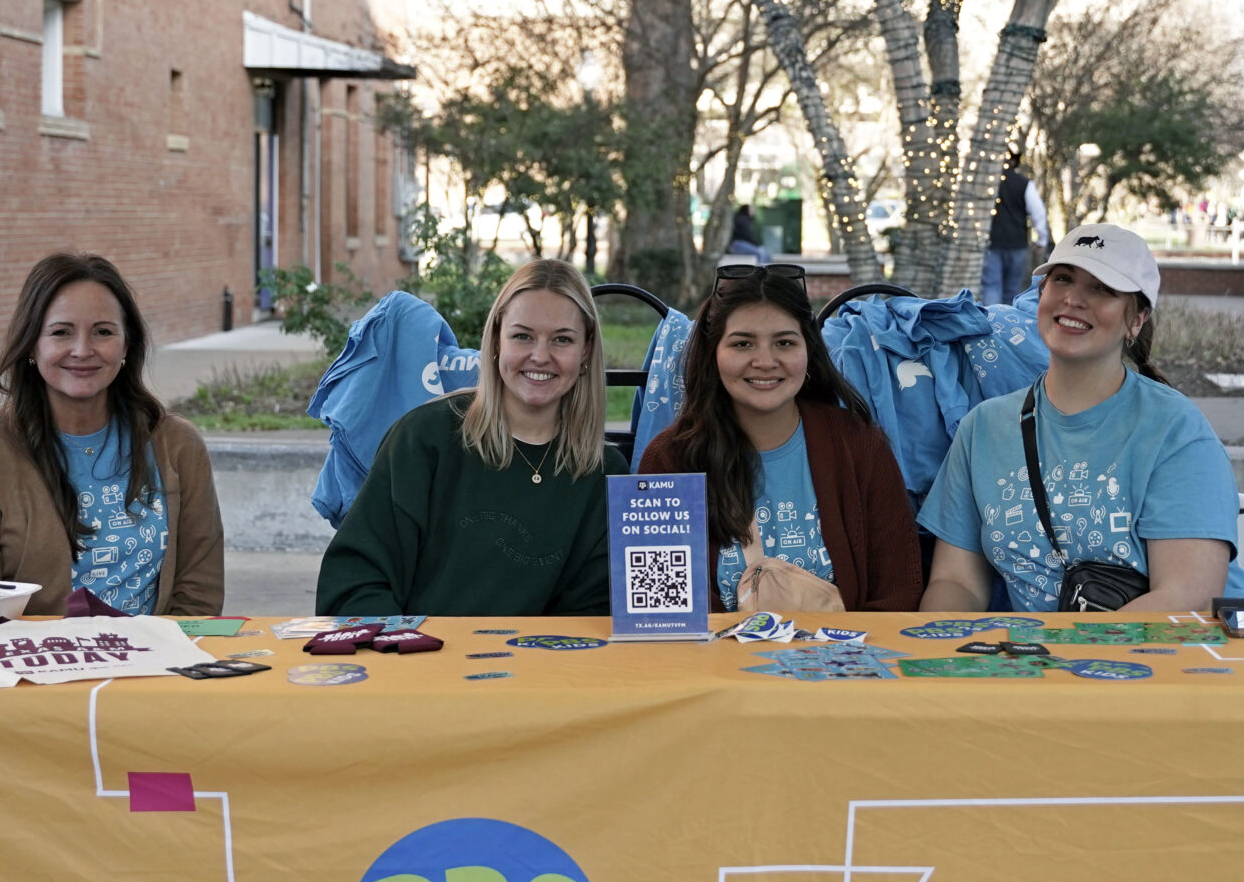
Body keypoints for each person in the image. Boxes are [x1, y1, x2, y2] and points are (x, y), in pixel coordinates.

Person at [920, 223, 1244, 612]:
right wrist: (943, 651)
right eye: (1062, 279)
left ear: (1136, 320)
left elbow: (1185, 599)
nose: (1073, 298)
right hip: (1039, 662)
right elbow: (956, 582)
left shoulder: (1176, 431)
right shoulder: (982, 428)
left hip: (1170, 659)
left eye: (1101, 288)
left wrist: (1064, 662)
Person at [315, 258, 627, 615]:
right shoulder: (422, 440)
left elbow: (595, 616)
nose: (540, 356)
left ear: (585, 350)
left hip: (543, 666)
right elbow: (352, 583)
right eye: (522, 336)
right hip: (419, 661)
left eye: (562, 340)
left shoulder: (605, 473)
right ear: (496, 340)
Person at [0, 253, 224, 616]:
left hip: (158, 661)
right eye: (61, 332)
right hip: (35, 664)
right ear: (31, 344)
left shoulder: (177, 444)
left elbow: (200, 592)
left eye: (103, 332)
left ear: (126, 345)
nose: (82, 350)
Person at [640, 263, 923, 611]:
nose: (765, 361)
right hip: (708, 663)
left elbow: (898, 593)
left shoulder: (858, 444)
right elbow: (659, 609)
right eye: (743, 343)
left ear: (809, 352)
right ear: (713, 355)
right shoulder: (669, 461)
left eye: (784, 343)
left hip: (842, 661)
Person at [980, 150, 1050, 304]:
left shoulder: (985, 183)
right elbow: (1038, 213)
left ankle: (992, 324)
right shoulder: (1024, 183)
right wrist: (1042, 240)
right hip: (1017, 244)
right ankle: (1008, 323)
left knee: (991, 287)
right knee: (1012, 290)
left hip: (992, 243)